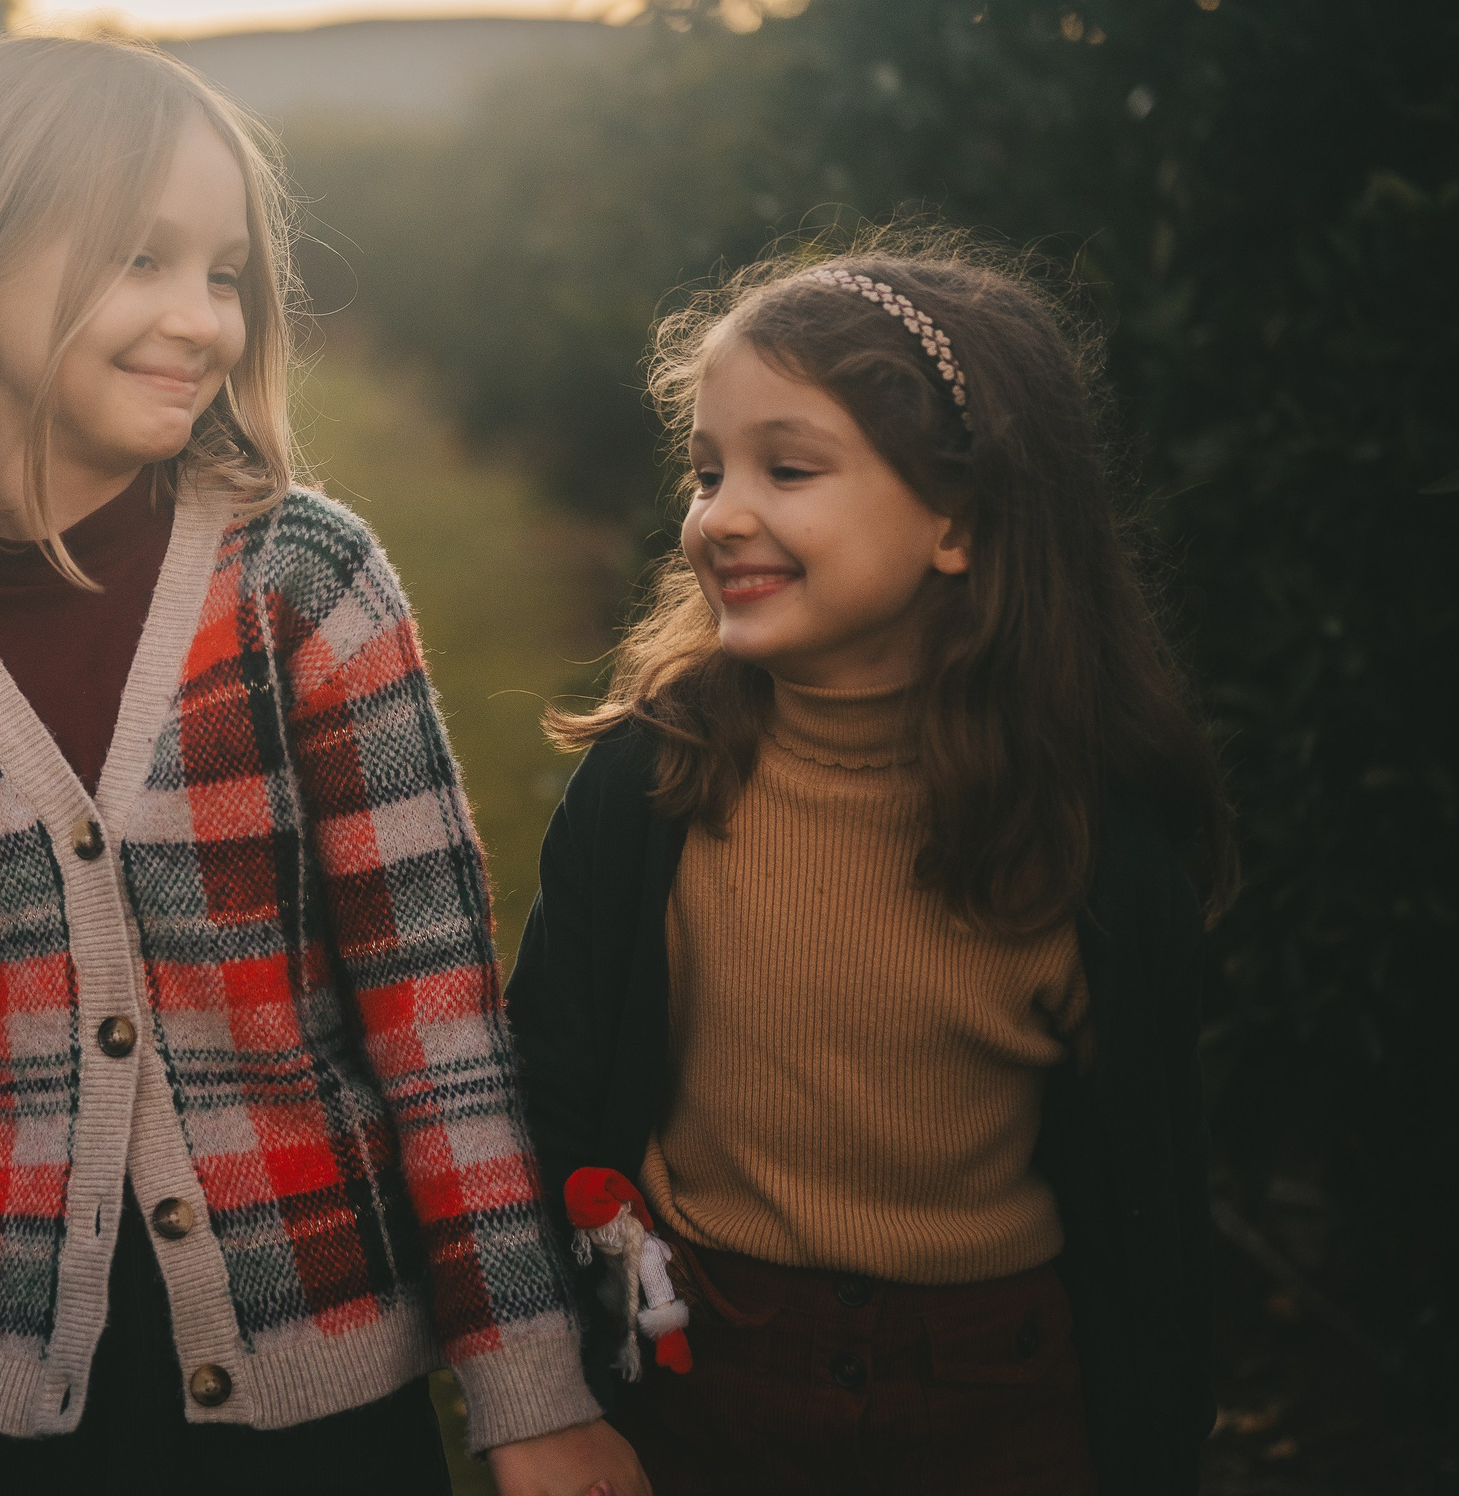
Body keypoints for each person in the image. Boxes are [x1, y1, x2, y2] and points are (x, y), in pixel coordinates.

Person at [0, 34, 633, 1496]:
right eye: (139, 259)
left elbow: (437, 1021)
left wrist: (527, 1379)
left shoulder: (303, 582)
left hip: (321, 1380)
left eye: (223, 271)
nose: (201, 317)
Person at [506, 236, 1234, 1496]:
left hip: (994, 1398)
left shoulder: (1089, 848)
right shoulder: (651, 787)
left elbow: (1148, 1218)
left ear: (957, 521)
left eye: (787, 467)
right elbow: (546, 1094)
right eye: (706, 470)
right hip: (697, 1368)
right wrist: (552, 1386)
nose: (720, 512)